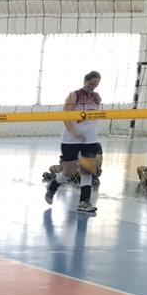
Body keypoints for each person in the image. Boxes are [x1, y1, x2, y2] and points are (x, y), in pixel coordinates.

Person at [46, 71, 103, 214]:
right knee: (69, 172)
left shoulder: (96, 97)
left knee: (87, 171)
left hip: (89, 140)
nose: (93, 87)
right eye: (91, 84)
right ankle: (52, 187)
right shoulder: (74, 95)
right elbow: (66, 117)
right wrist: (75, 133)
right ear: (85, 81)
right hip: (71, 140)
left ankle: (84, 202)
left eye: (96, 85)